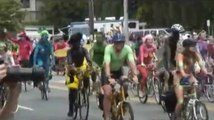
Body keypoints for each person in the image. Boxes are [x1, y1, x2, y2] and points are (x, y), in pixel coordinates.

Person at [102, 32, 138, 120]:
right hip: (108, 72)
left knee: (125, 85)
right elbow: (107, 63)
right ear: (113, 43)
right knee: (108, 93)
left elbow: (131, 63)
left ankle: (121, 104)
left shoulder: (127, 49)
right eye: (116, 43)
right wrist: (109, 78)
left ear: (123, 43)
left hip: (118, 70)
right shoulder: (108, 48)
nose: (118, 45)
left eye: (120, 43)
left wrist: (135, 75)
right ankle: (107, 115)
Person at [173, 39, 207, 119]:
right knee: (180, 102)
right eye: (192, 46)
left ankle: (194, 104)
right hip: (179, 77)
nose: (194, 47)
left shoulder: (195, 54)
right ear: (187, 47)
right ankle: (177, 116)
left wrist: (204, 70)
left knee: (197, 88)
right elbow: (180, 66)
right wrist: (183, 73)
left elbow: (201, 63)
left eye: (194, 45)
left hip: (190, 76)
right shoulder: (180, 55)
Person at [65, 32, 92, 118]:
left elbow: (88, 58)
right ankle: (71, 109)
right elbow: (69, 61)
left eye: (77, 42)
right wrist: (71, 66)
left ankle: (85, 91)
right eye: (73, 43)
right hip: (72, 69)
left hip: (82, 67)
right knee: (72, 89)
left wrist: (90, 65)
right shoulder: (69, 52)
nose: (75, 44)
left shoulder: (84, 50)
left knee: (87, 77)